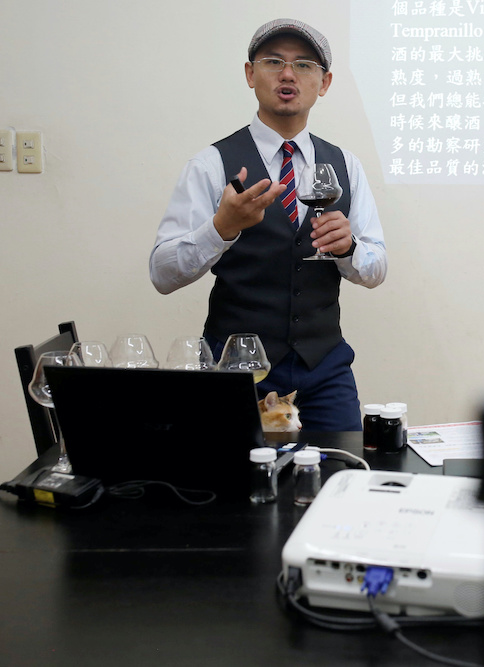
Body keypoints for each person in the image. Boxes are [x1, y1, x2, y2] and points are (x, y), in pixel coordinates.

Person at [150, 18, 387, 431]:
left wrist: (349, 249)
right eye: (273, 61)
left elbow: (377, 268)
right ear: (250, 74)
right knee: (235, 490)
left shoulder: (345, 165)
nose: (288, 74)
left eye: (305, 65)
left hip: (325, 368)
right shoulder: (211, 164)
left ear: (324, 82)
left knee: (340, 476)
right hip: (237, 370)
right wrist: (221, 228)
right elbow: (162, 273)